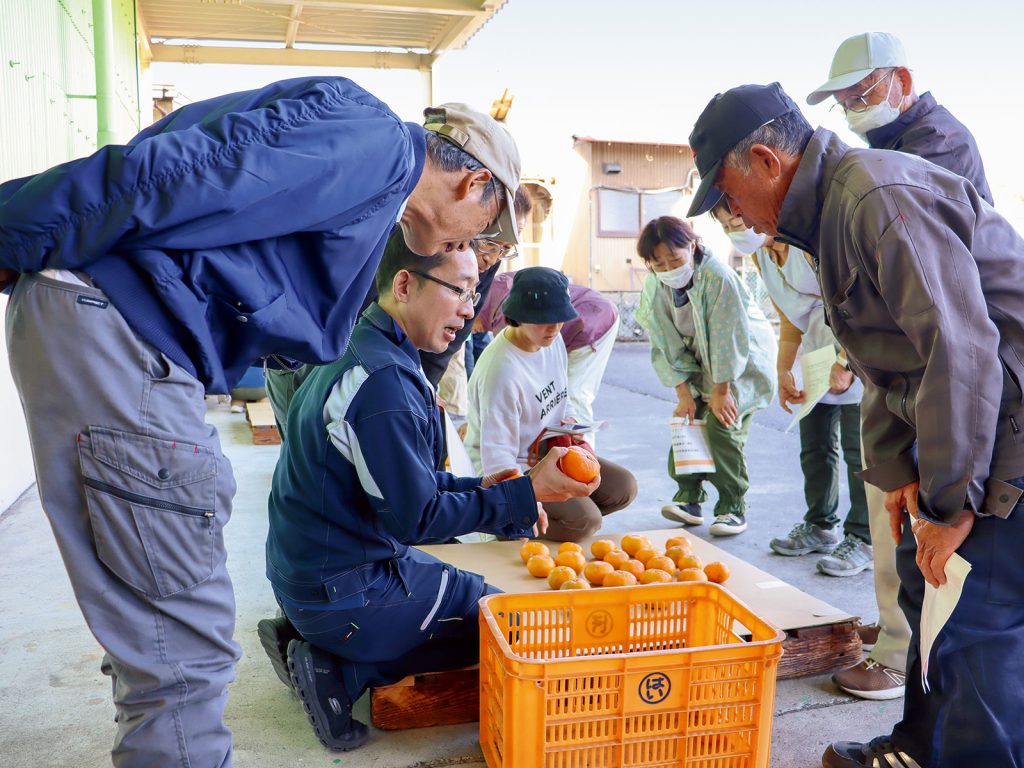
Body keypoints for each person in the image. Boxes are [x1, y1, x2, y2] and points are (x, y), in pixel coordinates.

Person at [0, 80, 520, 768]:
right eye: (483, 228)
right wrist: (13, 229)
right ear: (474, 183)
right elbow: (177, 174)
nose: (471, 245)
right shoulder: (379, 146)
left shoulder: (371, 190)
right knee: (184, 657)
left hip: (95, 322)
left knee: (153, 628)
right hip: (125, 326)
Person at [687, 80, 1024, 768]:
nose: (731, 214)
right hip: (971, 425)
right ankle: (920, 748)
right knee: (927, 591)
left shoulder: (873, 198)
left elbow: (959, 353)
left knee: (972, 617)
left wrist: (952, 503)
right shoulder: (831, 213)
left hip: (1005, 431)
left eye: (726, 195)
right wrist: (899, 473)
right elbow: (885, 361)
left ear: (765, 161)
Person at [264, 236, 596, 751]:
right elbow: (415, 519)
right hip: (345, 589)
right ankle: (341, 669)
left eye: (473, 293)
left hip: (312, 569)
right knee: (508, 624)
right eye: (459, 290)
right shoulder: (384, 383)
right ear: (404, 285)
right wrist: (526, 492)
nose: (469, 309)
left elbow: (401, 482)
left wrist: (483, 487)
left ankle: (319, 637)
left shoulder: (361, 347)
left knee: (467, 588)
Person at [807, 30, 998, 702]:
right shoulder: (881, 152)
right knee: (898, 504)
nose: (852, 108)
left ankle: (901, 655)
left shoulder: (935, 146)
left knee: (930, 523)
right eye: (843, 100)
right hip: (909, 362)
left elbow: (937, 312)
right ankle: (903, 646)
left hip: (935, 364)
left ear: (902, 80)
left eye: (860, 92)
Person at [265, 184, 532, 438]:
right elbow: (361, 319)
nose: (492, 258)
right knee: (308, 442)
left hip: (366, 359)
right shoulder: (403, 231)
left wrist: (424, 386)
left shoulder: (482, 257)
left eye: (506, 249)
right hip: (312, 349)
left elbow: (451, 339)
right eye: (489, 244)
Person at [709, 200, 873, 576]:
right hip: (816, 357)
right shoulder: (761, 257)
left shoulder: (808, 245)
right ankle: (820, 525)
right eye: (726, 225)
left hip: (857, 351)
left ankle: (863, 537)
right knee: (815, 448)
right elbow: (788, 320)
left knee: (860, 454)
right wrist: (784, 369)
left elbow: (860, 303)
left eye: (737, 219)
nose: (735, 230)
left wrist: (845, 362)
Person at [465, 267, 636, 542]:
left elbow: (561, 396)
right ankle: (509, 525)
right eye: (544, 320)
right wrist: (522, 500)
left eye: (560, 319)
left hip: (551, 451)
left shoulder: (551, 342)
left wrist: (570, 422)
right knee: (585, 521)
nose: (555, 328)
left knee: (623, 488)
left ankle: (549, 523)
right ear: (517, 316)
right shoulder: (502, 370)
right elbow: (497, 455)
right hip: (515, 467)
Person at [634, 216, 776, 536]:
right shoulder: (656, 284)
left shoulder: (717, 277)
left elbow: (729, 339)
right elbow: (663, 341)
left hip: (741, 362)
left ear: (693, 246)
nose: (668, 268)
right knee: (688, 419)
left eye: (675, 259)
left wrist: (722, 391)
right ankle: (689, 498)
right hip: (699, 360)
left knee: (721, 425)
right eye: (659, 263)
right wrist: (683, 394)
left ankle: (732, 507)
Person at [807, 31, 993, 206]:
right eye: (844, 106)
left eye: (858, 98)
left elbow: (883, 206)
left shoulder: (938, 140)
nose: (853, 113)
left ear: (903, 81)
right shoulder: (893, 142)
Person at [474, 270, 620, 439]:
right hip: (592, 310)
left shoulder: (510, 322)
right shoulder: (493, 288)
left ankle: (582, 449)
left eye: (468, 326)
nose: (471, 331)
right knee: (559, 396)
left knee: (575, 395)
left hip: (593, 320)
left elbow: (528, 379)